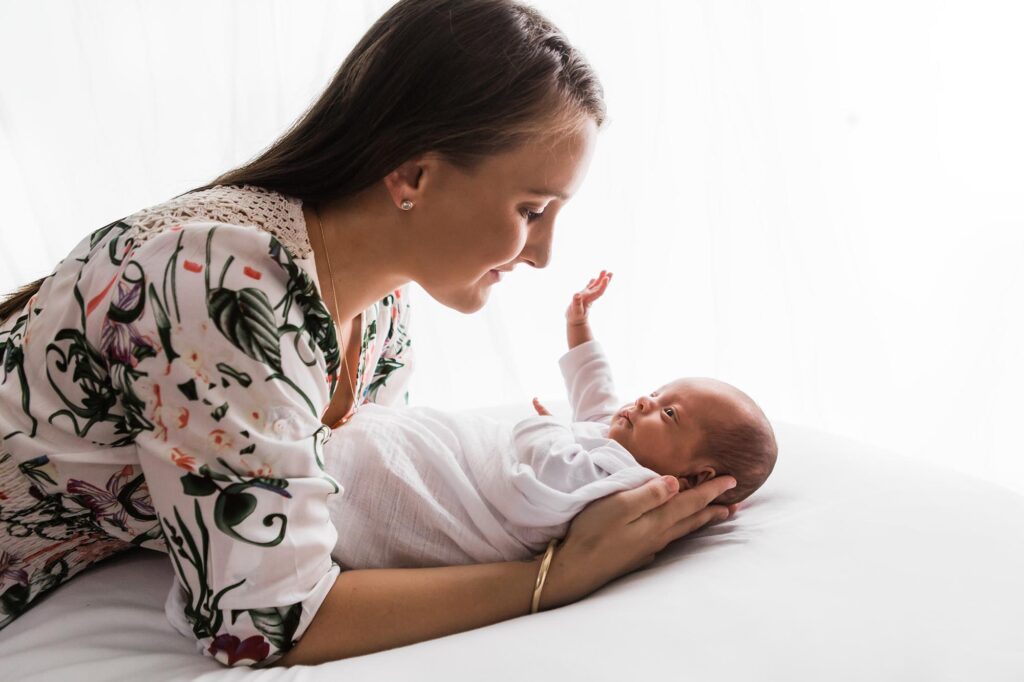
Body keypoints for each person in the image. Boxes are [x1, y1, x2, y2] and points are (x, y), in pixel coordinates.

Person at [0, 0, 738, 668]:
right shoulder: (225, 286)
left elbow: (327, 514)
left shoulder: (380, 307)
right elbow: (263, 623)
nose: (542, 254)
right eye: (530, 210)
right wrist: (554, 578)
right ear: (413, 175)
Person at [323, 270, 774, 570]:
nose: (643, 401)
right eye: (656, 393)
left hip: (405, 483)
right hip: (377, 441)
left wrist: (548, 428)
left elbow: (536, 484)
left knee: (375, 465)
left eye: (668, 413)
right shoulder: (617, 448)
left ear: (697, 476)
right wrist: (579, 327)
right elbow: (597, 397)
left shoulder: (630, 484)